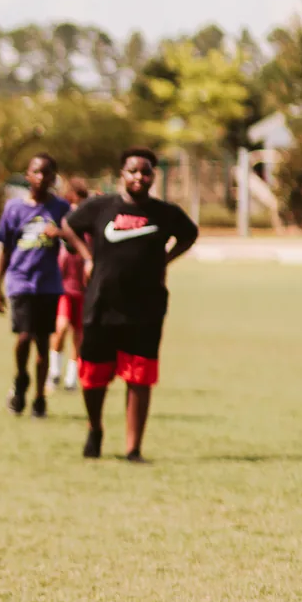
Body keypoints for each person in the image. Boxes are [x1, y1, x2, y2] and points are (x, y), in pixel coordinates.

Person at [61, 148, 198, 462]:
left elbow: (190, 234)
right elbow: (69, 224)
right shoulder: (100, 206)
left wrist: (167, 259)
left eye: (146, 172)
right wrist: (87, 256)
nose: (139, 177)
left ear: (153, 176)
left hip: (146, 308)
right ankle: (95, 428)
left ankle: (133, 447)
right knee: (93, 376)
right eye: (133, 171)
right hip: (102, 304)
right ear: (122, 173)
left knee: (139, 377)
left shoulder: (165, 213)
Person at [0, 153, 70, 417]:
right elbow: (5, 249)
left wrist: (59, 233)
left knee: (43, 343)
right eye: (36, 172)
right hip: (20, 281)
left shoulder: (60, 208)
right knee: (24, 337)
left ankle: (39, 397)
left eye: (47, 173)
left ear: (53, 178)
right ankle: (21, 378)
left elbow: (73, 239)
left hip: (48, 284)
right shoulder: (14, 209)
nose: (41, 177)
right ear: (28, 176)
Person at [49, 177, 89, 390]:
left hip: (83, 289)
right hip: (64, 287)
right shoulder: (62, 226)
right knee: (61, 327)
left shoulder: (89, 230)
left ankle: (72, 377)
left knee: (79, 335)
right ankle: (54, 371)